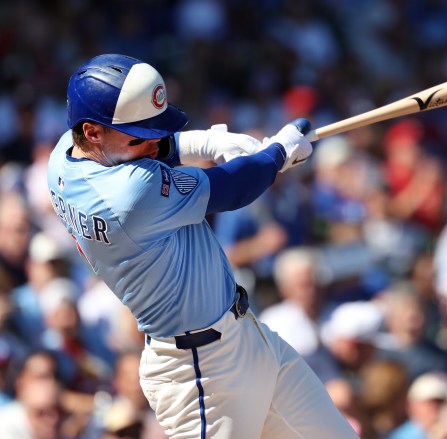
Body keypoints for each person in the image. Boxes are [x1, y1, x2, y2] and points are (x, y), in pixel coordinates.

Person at [47, 54, 358, 438]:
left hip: (247, 338)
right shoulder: (128, 194)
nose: (155, 142)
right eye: (140, 135)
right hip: (201, 375)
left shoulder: (66, 153)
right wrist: (277, 154)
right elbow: (233, 188)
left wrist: (213, 141)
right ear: (93, 131)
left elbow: (162, 145)